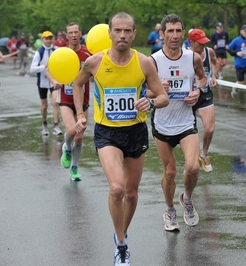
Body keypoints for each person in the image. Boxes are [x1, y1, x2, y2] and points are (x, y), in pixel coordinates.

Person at [73, 12, 169, 265]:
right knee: (116, 189)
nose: (122, 35)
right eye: (118, 31)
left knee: (131, 193)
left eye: (127, 31)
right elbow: (76, 84)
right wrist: (81, 113)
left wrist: (149, 101)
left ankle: (120, 234)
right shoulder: (94, 62)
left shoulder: (144, 62)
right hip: (107, 133)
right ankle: (122, 244)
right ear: (110, 34)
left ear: (134, 34)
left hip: (135, 132)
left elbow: (163, 97)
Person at [149, 14, 207, 232]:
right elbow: (141, 90)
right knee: (170, 172)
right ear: (162, 34)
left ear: (183, 33)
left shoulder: (193, 58)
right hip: (162, 124)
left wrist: (198, 91)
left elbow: (202, 78)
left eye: (178, 31)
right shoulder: (153, 61)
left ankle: (187, 199)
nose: (174, 35)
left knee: (192, 167)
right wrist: (156, 88)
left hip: (185, 122)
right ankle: (170, 209)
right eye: (170, 31)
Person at [46, 22, 91, 181]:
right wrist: (53, 81)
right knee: (72, 130)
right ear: (66, 35)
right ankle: (66, 148)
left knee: (79, 137)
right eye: (70, 33)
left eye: (76, 32)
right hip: (65, 98)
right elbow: (48, 68)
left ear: (80, 34)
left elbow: (97, 71)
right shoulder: (61, 53)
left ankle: (74, 167)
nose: (73, 35)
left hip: (83, 100)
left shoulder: (87, 55)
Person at [187, 28, 218, 172]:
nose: (203, 45)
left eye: (204, 42)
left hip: (205, 94)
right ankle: (191, 161)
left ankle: (204, 154)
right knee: (190, 132)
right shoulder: (185, 55)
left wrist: (214, 76)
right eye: (200, 43)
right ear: (191, 42)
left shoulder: (208, 52)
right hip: (190, 97)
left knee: (210, 129)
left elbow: (215, 62)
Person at [30, 31, 63, 136]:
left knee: (55, 102)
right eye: (46, 38)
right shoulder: (39, 52)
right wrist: (43, 66)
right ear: (42, 40)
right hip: (42, 83)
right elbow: (32, 69)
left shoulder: (57, 50)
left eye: (50, 38)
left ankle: (56, 126)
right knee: (44, 105)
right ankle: (44, 124)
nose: (48, 40)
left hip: (54, 81)